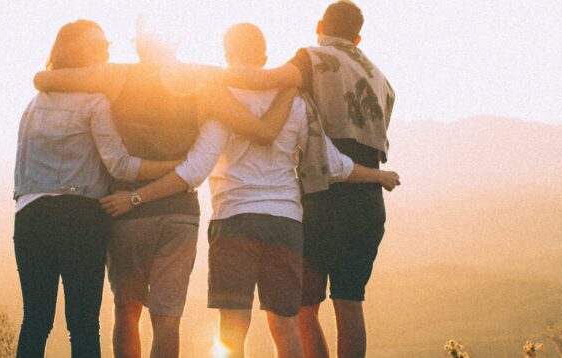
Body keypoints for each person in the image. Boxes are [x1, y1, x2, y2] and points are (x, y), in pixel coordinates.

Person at [99, 23, 399, 358]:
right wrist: (376, 175)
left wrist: (137, 197)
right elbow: (330, 162)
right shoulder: (295, 101)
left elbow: (195, 170)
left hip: (233, 222)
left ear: (226, 53)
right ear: (265, 56)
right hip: (285, 223)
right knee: (285, 327)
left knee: (232, 330)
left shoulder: (221, 101)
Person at [32, 19, 297, 358]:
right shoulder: (201, 81)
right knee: (167, 320)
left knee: (127, 313)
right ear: (175, 43)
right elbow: (261, 129)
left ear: (139, 45)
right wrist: (292, 83)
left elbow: (44, 79)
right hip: (179, 214)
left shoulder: (116, 76)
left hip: (125, 213)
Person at [210, 2, 397, 357]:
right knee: (350, 303)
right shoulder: (380, 77)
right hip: (369, 196)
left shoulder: (313, 58)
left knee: (301, 310)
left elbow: (264, 80)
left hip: (323, 194)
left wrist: (201, 76)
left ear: (319, 26)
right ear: (358, 37)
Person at [13, 19, 184, 357]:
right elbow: (119, 165)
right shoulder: (94, 102)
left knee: (35, 319)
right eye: (100, 45)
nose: (107, 49)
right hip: (80, 217)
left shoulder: (35, 104)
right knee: (83, 324)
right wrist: (173, 167)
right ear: (82, 53)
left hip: (29, 216)